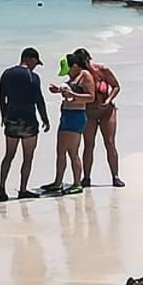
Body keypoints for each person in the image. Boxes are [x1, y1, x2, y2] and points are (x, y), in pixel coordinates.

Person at [0, 47, 50, 202]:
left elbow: (1, 97)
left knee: (8, 156)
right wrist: (45, 119)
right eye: (35, 62)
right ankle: (23, 189)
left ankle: (1, 187)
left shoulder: (6, 74)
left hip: (11, 120)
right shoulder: (33, 77)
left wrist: (3, 115)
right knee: (28, 157)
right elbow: (39, 100)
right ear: (29, 59)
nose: (35, 66)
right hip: (28, 122)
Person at [40, 54, 94, 194]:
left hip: (76, 116)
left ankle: (77, 183)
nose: (68, 73)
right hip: (66, 114)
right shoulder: (73, 77)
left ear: (75, 66)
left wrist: (73, 95)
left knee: (72, 152)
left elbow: (90, 97)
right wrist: (59, 90)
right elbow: (71, 91)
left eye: (69, 70)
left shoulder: (85, 75)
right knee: (60, 151)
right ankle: (58, 182)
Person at [73, 47, 123, 189]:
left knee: (110, 143)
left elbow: (116, 86)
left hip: (107, 110)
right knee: (89, 145)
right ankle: (87, 177)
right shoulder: (80, 76)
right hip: (89, 113)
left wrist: (108, 101)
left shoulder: (103, 70)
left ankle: (115, 176)